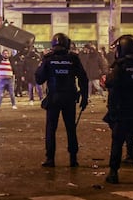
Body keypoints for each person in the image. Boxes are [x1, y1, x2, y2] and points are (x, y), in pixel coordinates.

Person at [103, 34, 133, 184]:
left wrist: (112, 111)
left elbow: (111, 84)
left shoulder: (120, 66)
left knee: (117, 142)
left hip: (123, 110)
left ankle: (113, 173)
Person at [35, 33, 89, 167]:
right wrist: (85, 97)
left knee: (51, 129)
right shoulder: (73, 58)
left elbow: (39, 78)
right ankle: (73, 159)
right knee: (71, 128)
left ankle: (50, 159)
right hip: (69, 98)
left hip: (54, 98)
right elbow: (83, 78)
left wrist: (41, 64)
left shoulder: (48, 59)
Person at [0, 44, 17, 110]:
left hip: (10, 79)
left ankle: (14, 105)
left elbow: (14, 69)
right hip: (2, 79)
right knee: (0, 93)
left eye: (7, 53)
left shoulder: (11, 60)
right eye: (4, 53)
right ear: (2, 54)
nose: (6, 54)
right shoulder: (0, 60)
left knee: (12, 93)